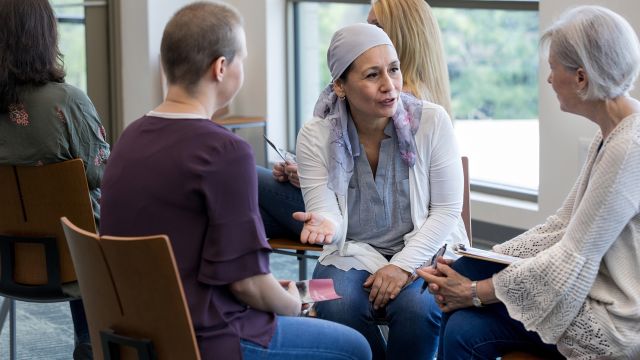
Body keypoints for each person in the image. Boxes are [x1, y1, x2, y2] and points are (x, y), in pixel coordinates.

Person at [98, 2, 371, 360]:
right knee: (356, 348)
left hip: (136, 330)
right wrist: (293, 305)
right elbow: (249, 286)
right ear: (221, 67)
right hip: (207, 338)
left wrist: (276, 290)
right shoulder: (224, 151)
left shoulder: (129, 137)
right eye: (242, 59)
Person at [419, 5, 640, 359]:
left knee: (464, 321)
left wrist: (474, 291)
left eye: (553, 69)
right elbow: (559, 228)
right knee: (465, 284)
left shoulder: (629, 148)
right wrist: (480, 260)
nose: (549, 80)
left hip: (613, 323)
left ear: (581, 78)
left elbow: (571, 259)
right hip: (589, 291)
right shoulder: (611, 134)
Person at [290, 23, 468, 360]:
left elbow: (446, 211)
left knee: (419, 308)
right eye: (372, 75)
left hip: (428, 248)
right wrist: (326, 225)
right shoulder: (316, 135)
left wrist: (401, 266)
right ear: (340, 86)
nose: (390, 86)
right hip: (352, 251)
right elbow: (328, 212)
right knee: (332, 302)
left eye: (394, 70)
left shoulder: (432, 121)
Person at [257, 0, 451, 239]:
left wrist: (313, 175)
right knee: (244, 214)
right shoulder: (423, 88)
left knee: (245, 181)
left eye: (377, 27)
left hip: (358, 218)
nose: (368, 33)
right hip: (351, 213)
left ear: (402, 34)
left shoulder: (400, 103)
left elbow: (376, 190)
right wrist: (308, 167)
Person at [0, 1, 110, 359]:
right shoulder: (67, 102)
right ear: (43, 36)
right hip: (77, 265)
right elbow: (102, 172)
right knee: (90, 217)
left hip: (4, 262)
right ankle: (90, 340)